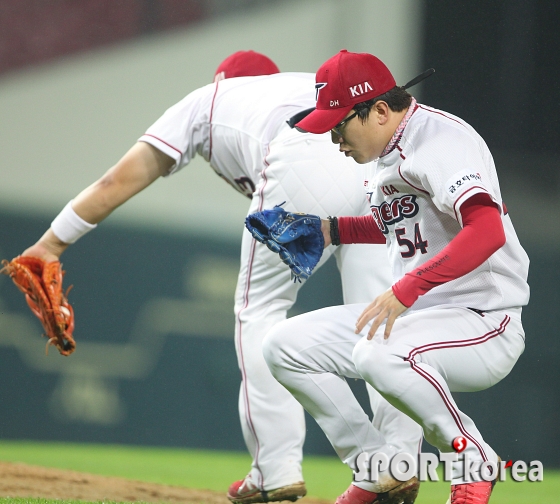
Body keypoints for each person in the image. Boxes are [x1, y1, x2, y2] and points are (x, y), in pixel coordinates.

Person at [18, 51, 422, 503]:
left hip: (309, 152)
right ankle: (399, 461)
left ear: (223, 81)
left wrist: (51, 243)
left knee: (261, 311)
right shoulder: (298, 87)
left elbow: (117, 181)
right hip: (374, 155)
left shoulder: (208, 99)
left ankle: (276, 469)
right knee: (377, 318)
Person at [261, 50, 530, 504]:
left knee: (375, 353)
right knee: (284, 347)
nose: (334, 140)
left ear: (380, 111)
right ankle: (382, 469)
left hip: (484, 321)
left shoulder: (442, 141)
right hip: (421, 322)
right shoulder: (388, 153)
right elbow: (403, 227)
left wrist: (408, 289)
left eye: (338, 125)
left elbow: (487, 230)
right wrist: (332, 230)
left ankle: (472, 460)